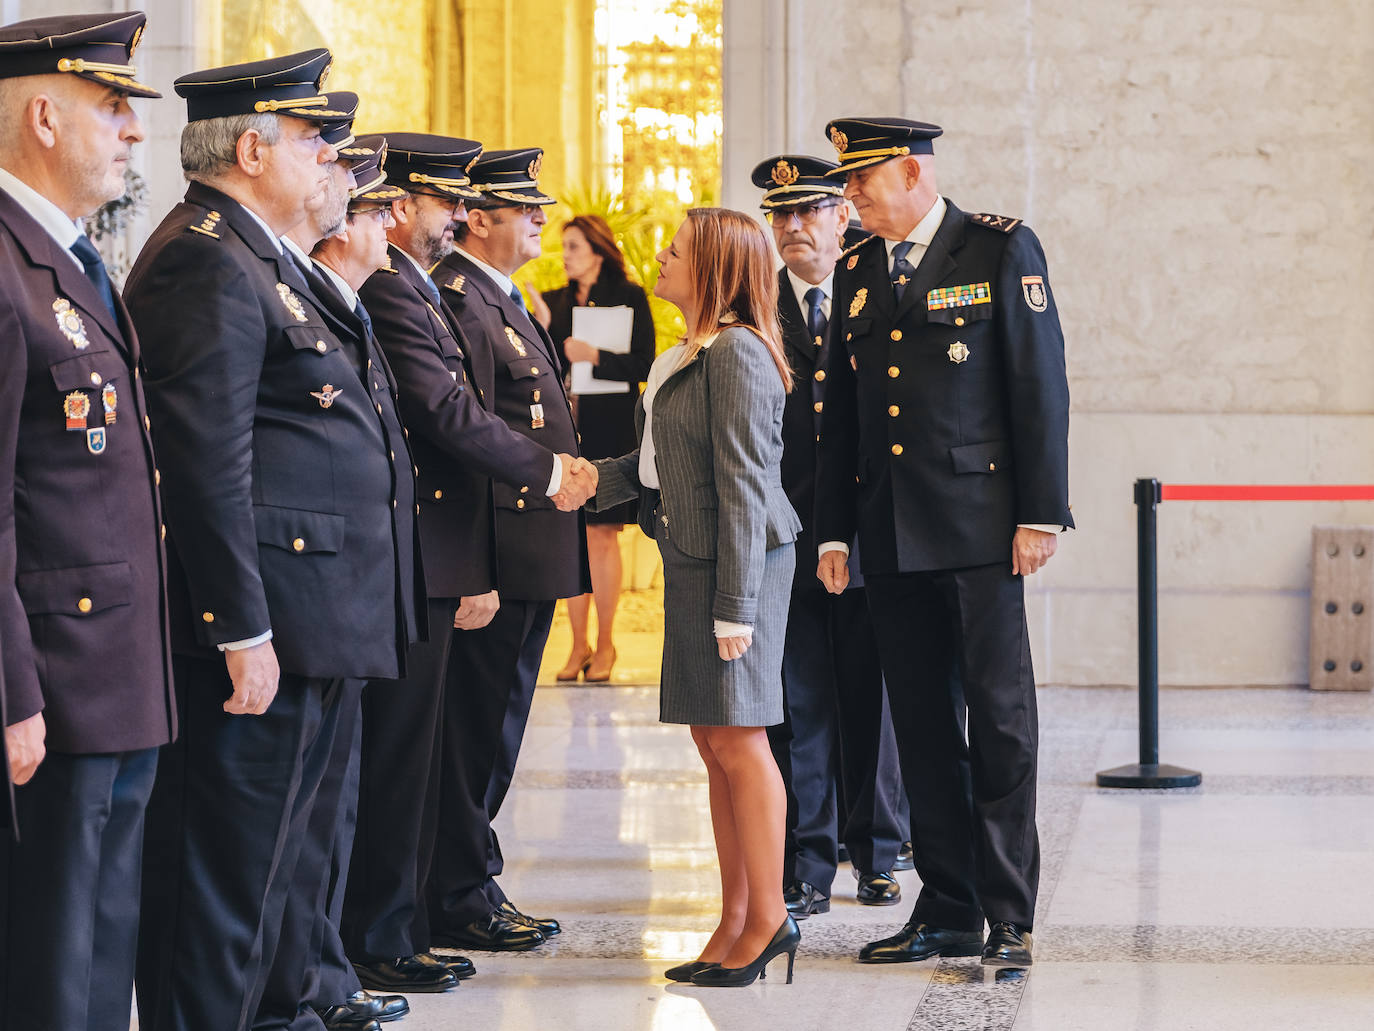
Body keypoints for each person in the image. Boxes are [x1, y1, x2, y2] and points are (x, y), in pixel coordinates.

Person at [126, 50, 422, 1030]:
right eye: (317, 141)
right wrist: (237, 623)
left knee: (286, 860)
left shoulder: (256, 257)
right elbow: (205, 463)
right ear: (252, 148)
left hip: (314, 615)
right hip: (262, 624)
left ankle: (284, 1009)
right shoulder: (203, 256)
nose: (336, 162)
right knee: (223, 877)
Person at [814, 117, 1072, 969]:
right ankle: (950, 906)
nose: (847, 196)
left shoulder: (997, 249)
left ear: (910, 170)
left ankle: (1009, 908)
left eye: (859, 180)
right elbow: (842, 421)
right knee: (921, 727)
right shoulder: (857, 271)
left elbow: (1038, 384)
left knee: (999, 722)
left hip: (979, 533)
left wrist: (1041, 512)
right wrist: (835, 529)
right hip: (888, 533)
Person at [344, 132, 592, 984]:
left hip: (485, 548)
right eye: (453, 201)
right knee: (436, 748)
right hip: (458, 552)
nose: (465, 213)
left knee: (460, 742)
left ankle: (422, 909)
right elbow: (454, 419)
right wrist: (549, 475)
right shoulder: (412, 289)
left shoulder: (429, 287)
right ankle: (412, 914)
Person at [0, 13, 176, 1031]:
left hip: (117, 671)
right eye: (112, 109)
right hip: (53, 686)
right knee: (54, 963)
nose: (132, 132)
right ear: (43, 117)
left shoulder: (68, 258)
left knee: (105, 945)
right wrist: (13, 687)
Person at [588, 207, 803, 987]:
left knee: (741, 742)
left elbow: (746, 486)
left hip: (734, 570)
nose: (661, 256)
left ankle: (770, 917)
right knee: (713, 744)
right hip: (695, 558)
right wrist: (585, 480)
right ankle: (734, 916)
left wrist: (736, 608)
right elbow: (657, 467)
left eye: (675, 249)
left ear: (711, 268)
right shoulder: (691, 350)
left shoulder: (739, 352)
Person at [426, 148, 593, 953]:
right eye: (524, 208)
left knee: (499, 727)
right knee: (476, 731)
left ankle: (470, 872)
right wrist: (478, 569)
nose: (540, 218)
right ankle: (458, 888)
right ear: (479, 218)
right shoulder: (459, 296)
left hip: (533, 546)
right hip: (499, 551)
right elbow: (467, 439)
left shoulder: (503, 295)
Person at [749, 154, 911, 920]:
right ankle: (806, 863)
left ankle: (877, 855)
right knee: (799, 703)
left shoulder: (875, 293)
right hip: (789, 541)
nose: (792, 227)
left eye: (808, 210)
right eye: (779, 214)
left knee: (870, 700)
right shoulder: (756, 308)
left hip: (867, 537)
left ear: (841, 215)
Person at [537, 213, 655, 683]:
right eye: (563, 247)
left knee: (602, 536)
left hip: (610, 429)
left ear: (598, 250)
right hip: (565, 428)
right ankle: (577, 643)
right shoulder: (553, 303)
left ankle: (606, 644)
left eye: (573, 246)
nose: (564, 255)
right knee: (571, 537)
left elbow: (645, 360)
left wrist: (596, 358)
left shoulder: (629, 296)